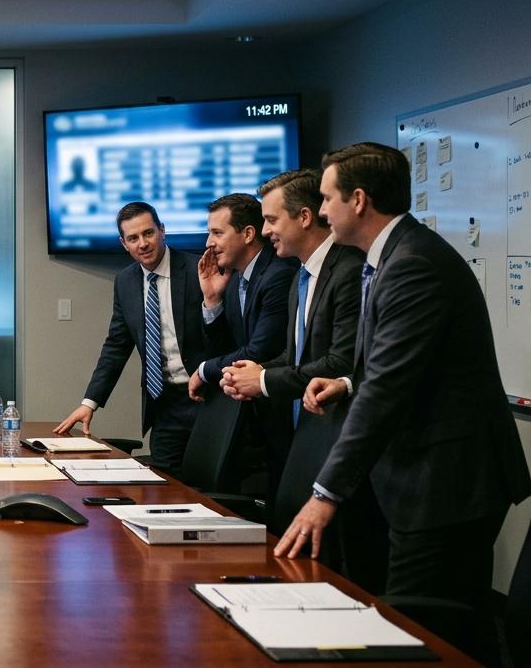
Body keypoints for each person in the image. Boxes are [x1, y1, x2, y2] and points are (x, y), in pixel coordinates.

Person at [277, 143, 531, 632]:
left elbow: (387, 390)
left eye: (327, 198)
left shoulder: (412, 263)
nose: (322, 210)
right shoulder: (390, 257)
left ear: (358, 200)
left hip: (446, 480)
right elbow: (398, 366)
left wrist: (325, 494)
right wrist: (349, 379)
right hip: (421, 473)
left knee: (428, 631)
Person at [217, 170, 385, 590]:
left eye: (272, 221)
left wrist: (266, 380)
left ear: (305, 216)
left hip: (340, 443)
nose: (267, 231)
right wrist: (250, 374)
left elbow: (342, 361)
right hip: (304, 441)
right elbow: (296, 356)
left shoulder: (348, 271)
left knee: (346, 575)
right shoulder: (301, 276)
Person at [53, 202, 208, 476]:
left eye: (148, 233)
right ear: (123, 244)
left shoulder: (199, 270)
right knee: (165, 488)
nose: (143, 244)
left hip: (208, 397)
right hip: (164, 404)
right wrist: (90, 403)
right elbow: (116, 346)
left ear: (163, 231)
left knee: (209, 484)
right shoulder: (125, 281)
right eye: (133, 238)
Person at [191, 192, 296, 497]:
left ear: (248, 234)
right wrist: (212, 300)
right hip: (254, 424)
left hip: (282, 417)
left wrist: (203, 371)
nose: (209, 242)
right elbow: (225, 350)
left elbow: (258, 352)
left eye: (217, 233)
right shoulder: (236, 279)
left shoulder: (277, 275)